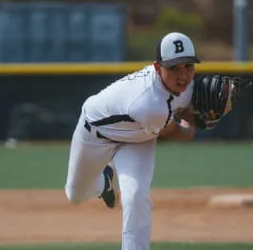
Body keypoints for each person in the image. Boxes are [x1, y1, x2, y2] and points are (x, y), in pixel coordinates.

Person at [65, 31, 200, 250]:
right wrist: (196, 124)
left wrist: (196, 112)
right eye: (174, 67)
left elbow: (183, 108)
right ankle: (104, 182)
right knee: (75, 196)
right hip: (95, 135)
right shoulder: (148, 103)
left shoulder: (188, 87)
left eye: (188, 66)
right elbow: (178, 133)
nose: (183, 74)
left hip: (139, 138)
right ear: (157, 67)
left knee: (136, 197)